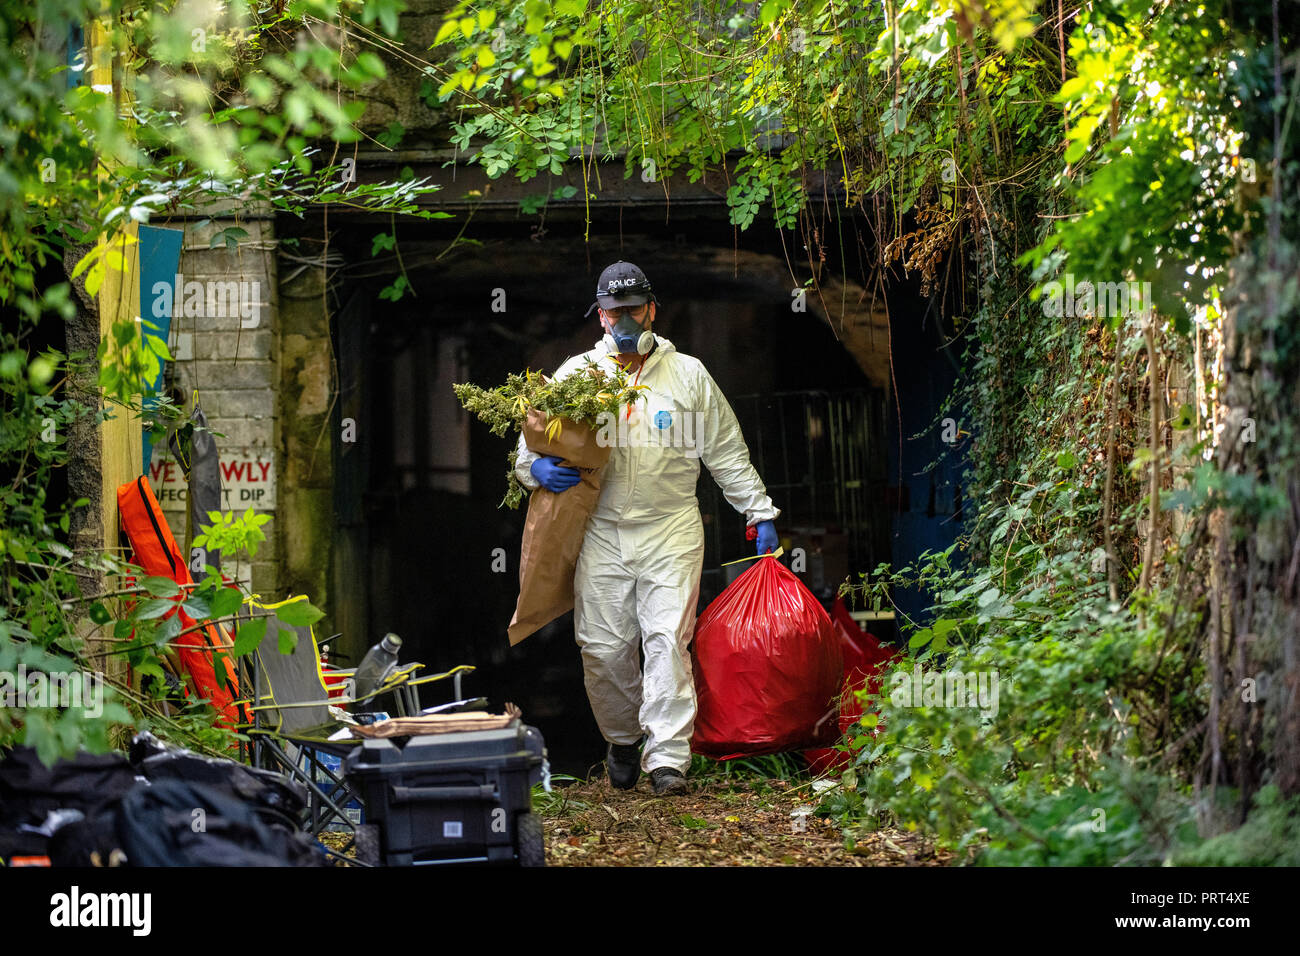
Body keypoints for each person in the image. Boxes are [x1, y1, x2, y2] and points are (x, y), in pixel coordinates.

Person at [513, 260, 780, 795]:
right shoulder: (577, 376)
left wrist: (759, 512)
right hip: (601, 530)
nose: (625, 319)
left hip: (671, 527)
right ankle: (621, 737)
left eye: (634, 308)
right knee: (602, 648)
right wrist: (532, 469)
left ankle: (667, 761)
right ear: (601, 318)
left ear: (652, 309)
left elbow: (725, 451)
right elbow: (533, 440)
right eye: (614, 312)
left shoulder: (689, 376)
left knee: (666, 640)